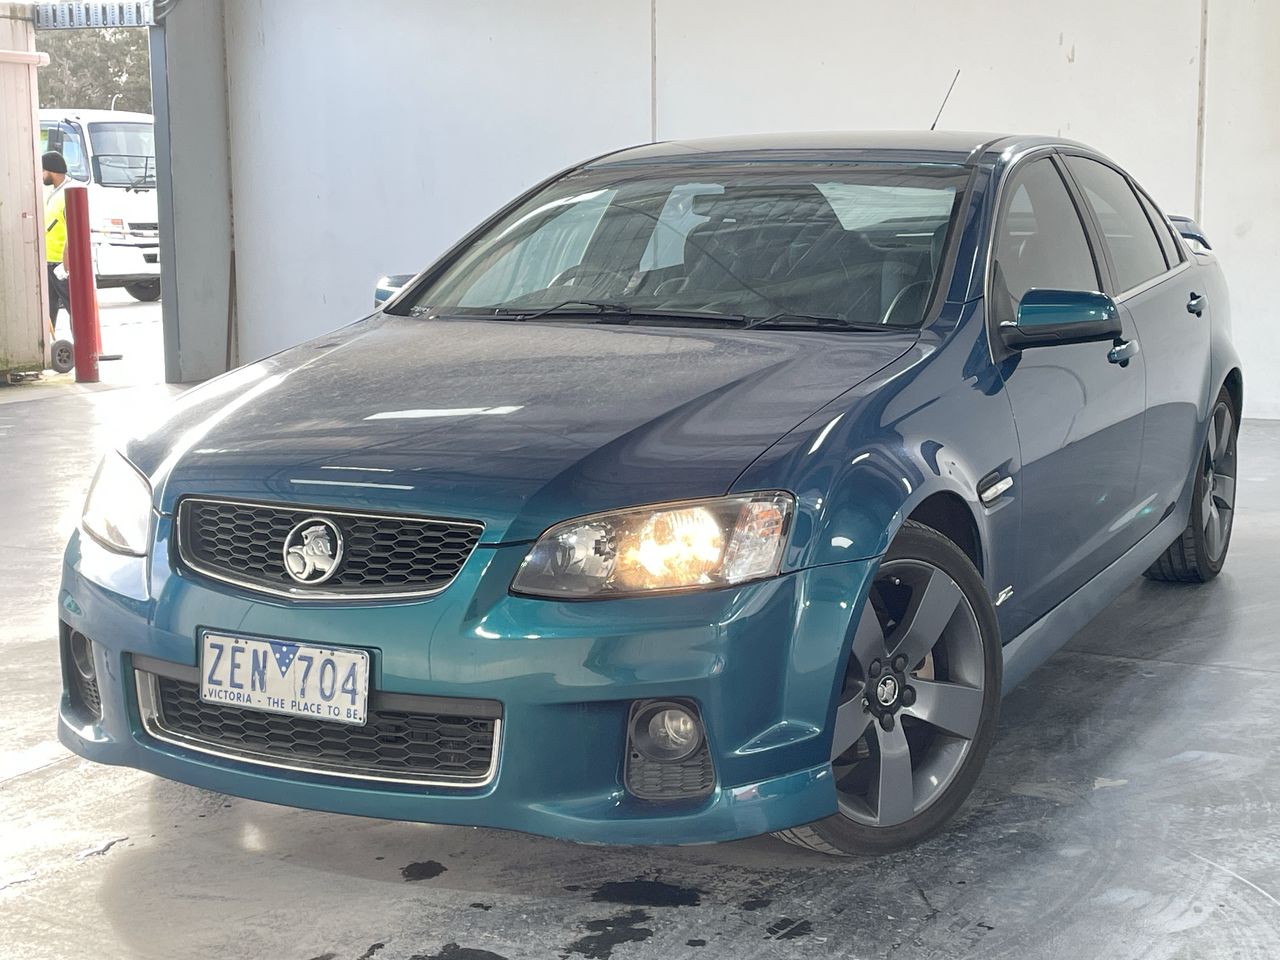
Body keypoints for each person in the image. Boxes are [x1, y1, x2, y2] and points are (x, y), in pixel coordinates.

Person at [42, 151, 72, 334]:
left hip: (62, 265)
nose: (41, 175)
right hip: (48, 261)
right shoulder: (53, 192)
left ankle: (82, 346)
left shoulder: (67, 194)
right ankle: (47, 348)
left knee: (73, 307)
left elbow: (73, 230)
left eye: (42, 171)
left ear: (51, 171)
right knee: (48, 309)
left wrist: (67, 260)